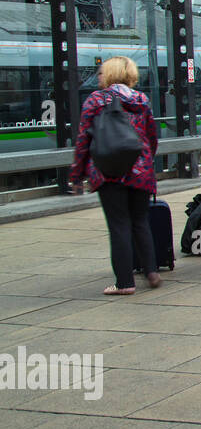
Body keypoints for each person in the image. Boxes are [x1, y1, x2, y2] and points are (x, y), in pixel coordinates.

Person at [68, 56, 161, 296]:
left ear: (109, 74)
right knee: (140, 222)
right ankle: (151, 271)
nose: (98, 76)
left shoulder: (95, 100)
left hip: (108, 171)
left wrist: (77, 174)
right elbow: (152, 136)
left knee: (119, 225)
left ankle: (124, 282)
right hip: (140, 171)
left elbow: (83, 140)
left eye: (101, 72)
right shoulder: (141, 99)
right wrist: (146, 160)